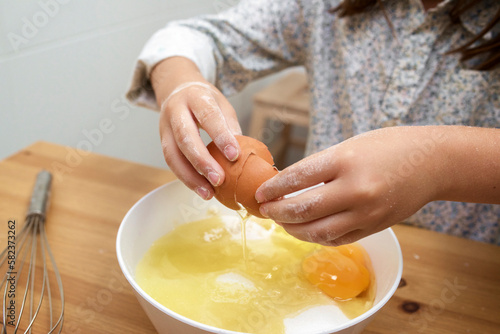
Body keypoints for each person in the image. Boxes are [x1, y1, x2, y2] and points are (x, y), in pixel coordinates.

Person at [126, 0, 500, 246]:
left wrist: (440, 164)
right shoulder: (325, 7)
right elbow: (191, 38)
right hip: (316, 241)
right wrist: (180, 82)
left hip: (466, 258)